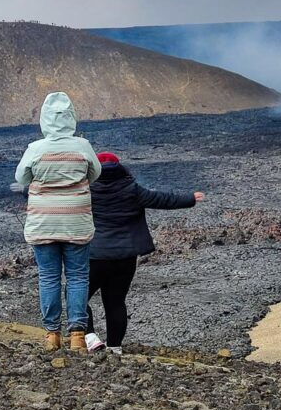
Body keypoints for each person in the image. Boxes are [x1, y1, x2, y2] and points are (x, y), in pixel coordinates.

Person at [84, 151, 204, 354]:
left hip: (95, 256)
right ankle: (115, 348)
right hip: (125, 257)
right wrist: (190, 199)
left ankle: (89, 336)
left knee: (76, 297)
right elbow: (163, 200)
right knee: (115, 302)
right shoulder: (132, 190)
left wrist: (27, 191)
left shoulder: (85, 191)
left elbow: (57, 195)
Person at [13, 92, 102, 353]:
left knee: (49, 277)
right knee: (77, 277)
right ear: (71, 118)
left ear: (44, 120)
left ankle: (52, 335)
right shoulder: (83, 147)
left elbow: (21, 177)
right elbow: (95, 173)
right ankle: (77, 335)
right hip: (76, 223)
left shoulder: (35, 149)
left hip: (43, 224)